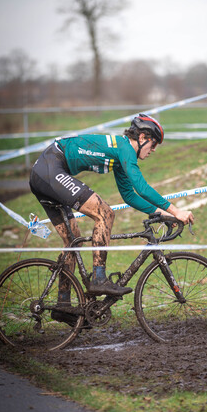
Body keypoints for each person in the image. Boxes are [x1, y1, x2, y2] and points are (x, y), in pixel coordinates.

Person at [29, 114, 194, 312]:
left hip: (43, 172)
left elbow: (129, 196)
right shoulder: (125, 150)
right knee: (105, 214)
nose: (154, 150)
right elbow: (141, 187)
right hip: (51, 168)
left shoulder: (119, 154)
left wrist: (162, 213)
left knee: (72, 240)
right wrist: (176, 210)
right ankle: (99, 278)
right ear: (142, 138)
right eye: (154, 143)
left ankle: (62, 305)